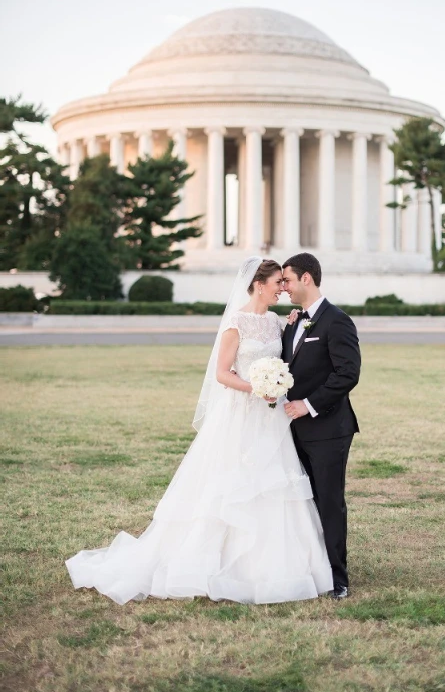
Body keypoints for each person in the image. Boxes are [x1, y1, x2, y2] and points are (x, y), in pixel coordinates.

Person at [65, 257, 333, 605]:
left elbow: (284, 356)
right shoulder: (236, 323)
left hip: (270, 418)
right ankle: (213, 563)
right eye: (278, 282)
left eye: (285, 282)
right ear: (258, 284)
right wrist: (255, 386)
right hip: (240, 413)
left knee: (271, 483)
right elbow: (223, 374)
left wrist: (284, 353)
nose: (283, 287)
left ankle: (271, 566)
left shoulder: (275, 321)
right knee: (229, 484)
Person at [281, 253, 361, 600]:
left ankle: (338, 579)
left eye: (287, 280)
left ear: (306, 279)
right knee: (302, 501)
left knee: (329, 502)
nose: (283, 286)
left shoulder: (338, 321)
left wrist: (308, 405)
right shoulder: (295, 321)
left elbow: (348, 373)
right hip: (291, 431)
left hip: (328, 428)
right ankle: (310, 567)